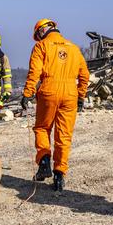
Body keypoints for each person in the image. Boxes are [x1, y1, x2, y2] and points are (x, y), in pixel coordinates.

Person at [21, 18, 89, 191]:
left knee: (42, 128)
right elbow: (84, 75)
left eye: (38, 35)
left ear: (42, 30)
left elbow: (34, 72)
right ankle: (59, 176)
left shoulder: (41, 46)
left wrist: (28, 93)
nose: (39, 38)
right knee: (64, 135)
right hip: (70, 94)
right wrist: (80, 97)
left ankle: (44, 162)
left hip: (48, 90)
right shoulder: (74, 48)